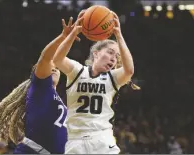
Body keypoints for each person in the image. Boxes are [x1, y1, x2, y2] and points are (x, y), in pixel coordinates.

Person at [0, 17, 79, 154]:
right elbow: (45, 57)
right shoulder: (41, 87)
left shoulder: (57, 99)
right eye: (52, 65)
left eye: (58, 67)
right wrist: (63, 37)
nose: (56, 68)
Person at [53, 10, 134, 154]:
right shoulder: (77, 71)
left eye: (116, 56)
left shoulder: (113, 78)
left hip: (101, 138)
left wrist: (119, 35)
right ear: (96, 53)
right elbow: (57, 59)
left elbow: (129, 71)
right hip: (75, 140)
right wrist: (73, 33)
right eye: (110, 52)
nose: (113, 59)